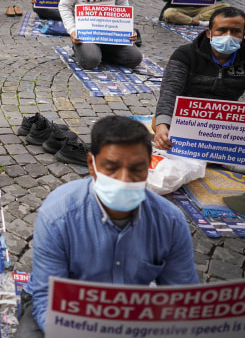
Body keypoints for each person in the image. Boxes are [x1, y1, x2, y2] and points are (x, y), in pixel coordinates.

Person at [16, 115, 198, 334]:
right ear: (92, 165)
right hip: (60, 311)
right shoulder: (57, 216)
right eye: (112, 167)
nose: (124, 179)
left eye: (136, 169)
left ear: (149, 167)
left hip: (130, 313)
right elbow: (46, 299)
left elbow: (180, 300)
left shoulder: (170, 223)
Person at [153, 7, 245, 164]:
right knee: (160, 128)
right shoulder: (185, 54)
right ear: (209, 33)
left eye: (235, 31)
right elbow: (170, 92)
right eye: (221, 30)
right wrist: (163, 124)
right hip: (184, 120)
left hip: (225, 125)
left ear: (244, 35)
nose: (228, 36)